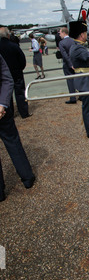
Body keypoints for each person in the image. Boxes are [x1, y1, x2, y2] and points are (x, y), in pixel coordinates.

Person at [0, 55, 35, 201]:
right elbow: (7, 79)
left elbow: (7, 79)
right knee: (13, 143)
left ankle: (27, 177)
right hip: (2, 109)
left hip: (2, 111)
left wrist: (2, 104)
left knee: (13, 142)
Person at [0, 27, 31, 118]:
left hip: (3, 76)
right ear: (8, 35)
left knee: (6, 94)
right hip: (16, 73)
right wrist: (19, 69)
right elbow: (22, 60)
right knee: (20, 94)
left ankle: (8, 113)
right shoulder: (14, 46)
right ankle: (24, 112)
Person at [58, 27, 77, 104]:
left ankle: (73, 98)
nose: (59, 35)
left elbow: (65, 55)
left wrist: (70, 64)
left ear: (63, 32)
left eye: (60, 33)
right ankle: (81, 95)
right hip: (75, 63)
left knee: (70, 81)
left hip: (67, 65)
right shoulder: (73, 41)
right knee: (77, 79)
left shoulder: (61, 43)